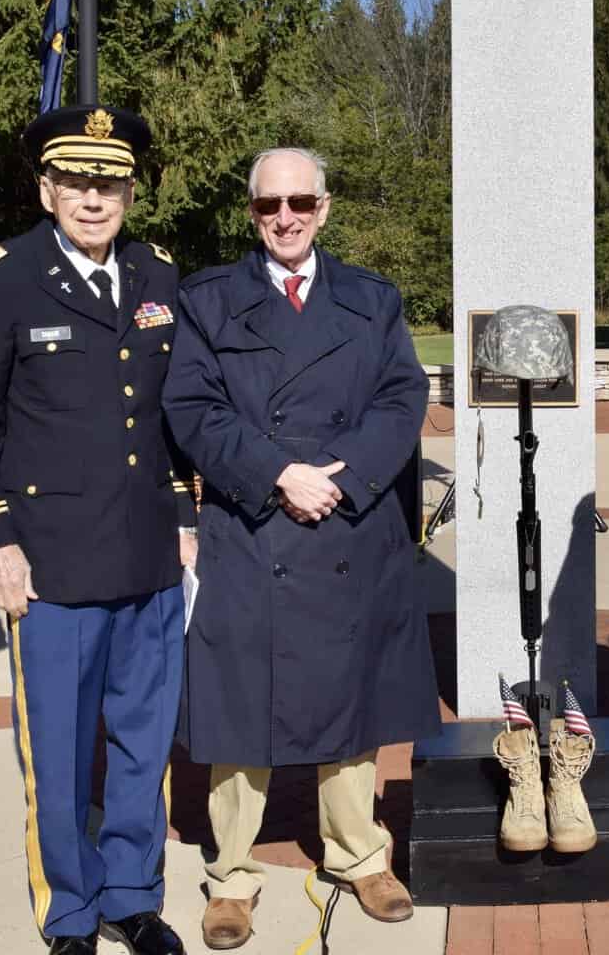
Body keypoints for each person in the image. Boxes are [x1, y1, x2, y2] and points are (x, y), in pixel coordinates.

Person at [161, 148, 441, 950]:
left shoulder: (371, 298)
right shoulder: (208, 300)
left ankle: (360, 856)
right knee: (240, 704)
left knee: (350, 698)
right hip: (253, 525)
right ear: (250, 212)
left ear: (324, 206)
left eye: (299, 202)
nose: (284, 217)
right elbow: (192, 406)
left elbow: (400, 398)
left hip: (351, 523)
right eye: (267, 205)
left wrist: (340, 481)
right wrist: (278, 471)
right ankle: (232, 876)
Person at [0, 105, 194, 955]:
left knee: (142, 740)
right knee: (56, 753)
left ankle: (132, 895)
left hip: (148, 551)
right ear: (48, 188)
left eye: (110, 183)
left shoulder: (158, 273)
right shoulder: (0, 276)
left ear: (130, 190)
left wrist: (185, 518)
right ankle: (70, 912)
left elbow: (168, 415)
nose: (95, 200)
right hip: (47, 563)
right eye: (77, 183)